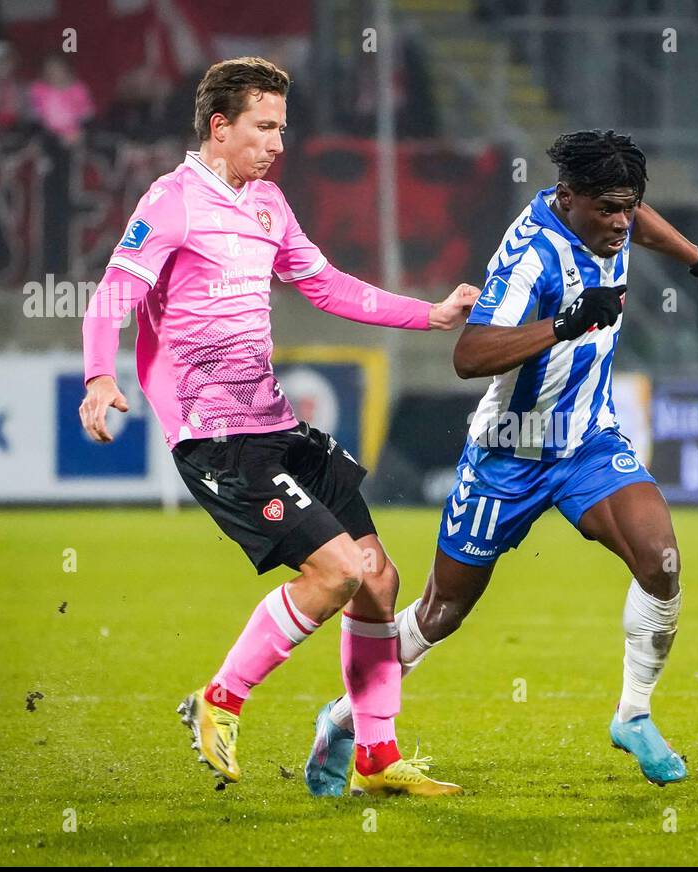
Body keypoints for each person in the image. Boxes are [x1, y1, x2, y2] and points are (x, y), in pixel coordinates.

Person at [306, 129, 698, 794]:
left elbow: (637, 216)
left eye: (629, 206)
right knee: (441, 612)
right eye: (608, 209)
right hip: (506, 454)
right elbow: (469, 355)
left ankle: (633, 713)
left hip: (587, 441)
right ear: (568, 199)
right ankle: (340, 719)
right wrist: (562, 324)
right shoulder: (531, 261)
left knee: (661, 559)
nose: (621, 221)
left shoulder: (606, 213)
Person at [78, 57, 479, 796]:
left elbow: (325, 284)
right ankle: (219, 699)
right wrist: (100, 376)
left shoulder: (269, 204)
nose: (277, 144)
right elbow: (113, 295)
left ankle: (375, 756)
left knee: (379, 582)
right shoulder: (171, 203)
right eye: (264, 128)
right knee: (337, 571)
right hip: (216, 437)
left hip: (274, 424)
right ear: (219, 127)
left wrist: (429, 313)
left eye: (283, 128)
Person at [29, 53, 94, 147]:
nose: (55, 74)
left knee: (88, 134)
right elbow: (37, 115)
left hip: (76, 130)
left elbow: (87, 113)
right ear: (43, 74)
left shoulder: (78, 89)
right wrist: (56, 132)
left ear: (68, 71)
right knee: (40, 137)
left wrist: (77, 131)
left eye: (59, 69)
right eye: (50, 71)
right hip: (49, 131)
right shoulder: (39, 90)